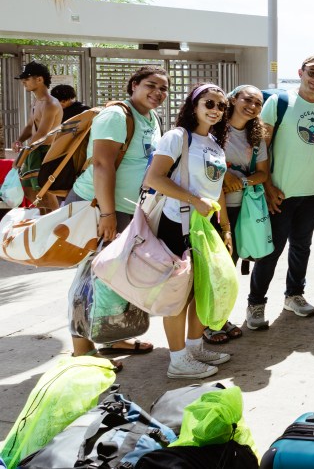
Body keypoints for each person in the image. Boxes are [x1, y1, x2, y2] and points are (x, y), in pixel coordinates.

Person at [66, 65, 168, 366]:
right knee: (89, 276)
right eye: (151, 85)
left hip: (127, 209)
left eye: (163, 89)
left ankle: (110, 338)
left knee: (113, 277)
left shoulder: (151, 117)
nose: (158, 93)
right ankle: (82, 353)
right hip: (97, 206)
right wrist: (107, 214)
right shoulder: (116, 115)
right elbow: (101, 165)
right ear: (133, 84)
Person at [143, 83, 231, 379]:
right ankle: (178, 359)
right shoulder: (177, 137)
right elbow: (154, 178)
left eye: (221, 106)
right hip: (177, 224)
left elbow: (216, 190)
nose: (216, 110)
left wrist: (226, 228)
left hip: (207, 227)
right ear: (193, 105)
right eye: (209, 103)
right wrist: (194, 200)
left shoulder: (216, 144)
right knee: (178, 293)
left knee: (200, 289)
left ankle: (194, 347)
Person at [246, 55, 314, 330]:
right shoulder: (280, 102)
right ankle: (256, 303)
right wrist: (268, 187)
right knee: (269, 252)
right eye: (312, 73)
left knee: (301, 247)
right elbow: (261, 146)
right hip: (280, 194)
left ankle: (294, 295)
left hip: (311, 194)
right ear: (301, 72)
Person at [206, 85, 269, 344]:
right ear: (233, 99)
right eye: (247, 100)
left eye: (258, 103)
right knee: (216, 268)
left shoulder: (257, 137)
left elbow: (263, 174)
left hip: (244, 208)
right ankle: (208, 324)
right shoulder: (213, 130)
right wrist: (224, 176)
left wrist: (241, 182)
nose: (252, 106)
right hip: (214, 208)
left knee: (229, 268)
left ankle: (220, 318)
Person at [13, 61, 62, 150]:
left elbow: (41, 134)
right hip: (35, 149)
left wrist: (26, 152)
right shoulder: (37, 101)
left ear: (39, 79)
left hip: (46, 151)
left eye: (27, 79)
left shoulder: (50, 104)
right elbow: (30, 126)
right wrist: (19, 141)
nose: (23, 82)